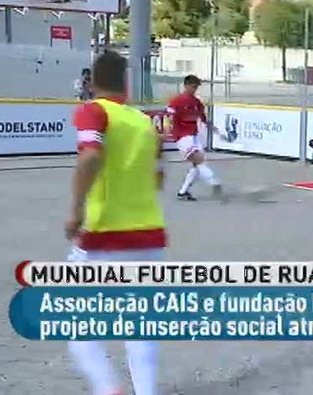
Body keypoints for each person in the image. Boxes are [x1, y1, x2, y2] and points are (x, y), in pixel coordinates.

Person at [67, 50, 166, 395]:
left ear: (92, 82)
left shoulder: (93, 111)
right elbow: (158, 178)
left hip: (105, 235)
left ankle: (109, 387)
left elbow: (91, 156)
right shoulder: (143, 122)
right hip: (150, 234)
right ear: (126, 83)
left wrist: (76, 209)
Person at [166, 74, 222, 201]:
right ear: (185, 86)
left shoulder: (196, 102)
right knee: (198, 160)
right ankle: (214, 182)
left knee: (198, 165)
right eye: (192, 86)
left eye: (196, 87)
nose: (194, 89)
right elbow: (168, 117)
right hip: (182, 136)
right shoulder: (176, 101)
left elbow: (203, 118)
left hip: (194, 136)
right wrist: (167, 131)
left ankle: (183, 192)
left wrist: (213, 128)